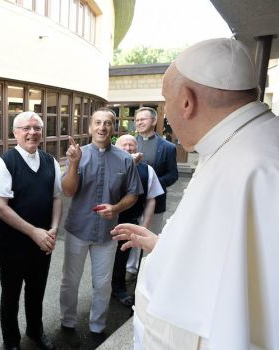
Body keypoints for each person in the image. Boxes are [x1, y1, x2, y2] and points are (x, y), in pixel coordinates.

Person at [111, 38, 279, 349]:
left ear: (187, 101)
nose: (167, 115)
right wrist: (164, 246)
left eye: (166, 100)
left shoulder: (260, 165)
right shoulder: (232, 143)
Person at [59, 108, 142, 347]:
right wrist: (73, 164)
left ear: (113, 128)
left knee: (103, 283)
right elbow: (68, 190)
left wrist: (115, 208)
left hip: (108, 232)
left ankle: (98, 325)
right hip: (78, 229)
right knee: (70, 280)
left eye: (107, 123)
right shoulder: (78, 154)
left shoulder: (125, 159)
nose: (102, 127)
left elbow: (133, 193)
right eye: (97, 123)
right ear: (90, 127)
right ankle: (67, 321)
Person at [0, 111, 62, 350]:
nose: (32, 132)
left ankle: (35, 330)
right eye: (26, 128)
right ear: (15, 133)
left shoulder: (50, 161)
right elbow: (0, 206)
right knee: (10, 293)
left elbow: (57, 197)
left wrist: (53, 229)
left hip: (43, 241)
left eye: (37, 128)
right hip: (13, 243)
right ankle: (11, 341)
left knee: (37, 289)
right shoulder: (5, 163)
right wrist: (34, 232)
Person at [110, 135, 163, 307]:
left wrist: (144, 226)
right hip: (107, 222)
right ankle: (103, 289)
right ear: (115, 148)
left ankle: (118, 288)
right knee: (103, 260)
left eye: (131, 145)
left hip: (130, 221)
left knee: (121, 258)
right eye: (123, 145)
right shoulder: (108, 165)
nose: (128, 148)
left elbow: (151, 199)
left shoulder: (147, 170)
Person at [127, 107, 178, 275]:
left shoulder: (168, 147)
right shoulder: (129, 144)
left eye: (143, 119)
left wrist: (153, 183)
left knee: (149, 235)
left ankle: (148, 270)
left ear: (154, 121)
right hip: (130, 202)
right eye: (137, 119)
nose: (139, 122)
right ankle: (130, 269)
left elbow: (173, 175)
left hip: (156, 201)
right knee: (130, 235)